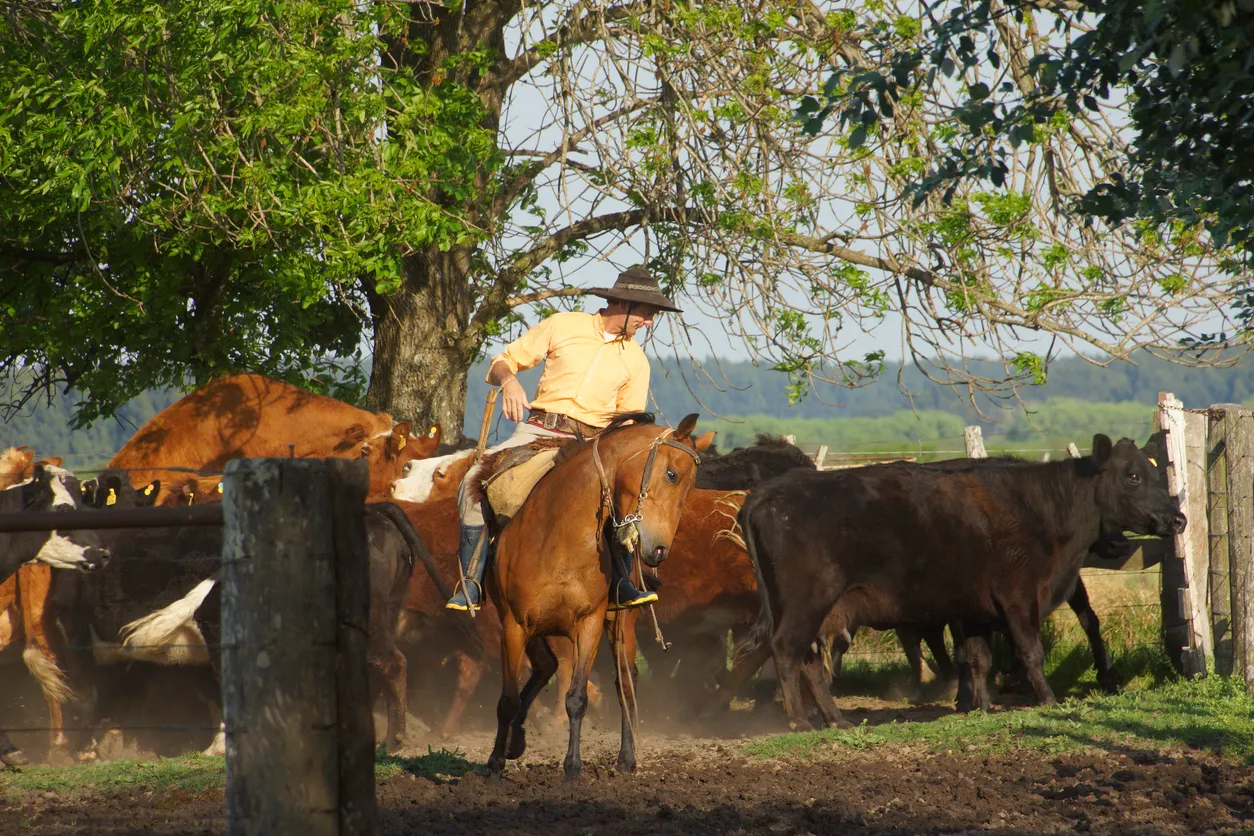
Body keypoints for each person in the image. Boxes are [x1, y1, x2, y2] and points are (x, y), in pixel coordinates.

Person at [446, 266, 682, 612]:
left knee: (625, 501)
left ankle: (621, 582)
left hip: (593, 447)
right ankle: (471, 582)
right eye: (647, 313)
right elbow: (503, 360)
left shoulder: (636, 360)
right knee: (472, 482)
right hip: (539, 431)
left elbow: (628, 423)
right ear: (623, 302)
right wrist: (509, 382)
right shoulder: (562, 325)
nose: (648, 322)